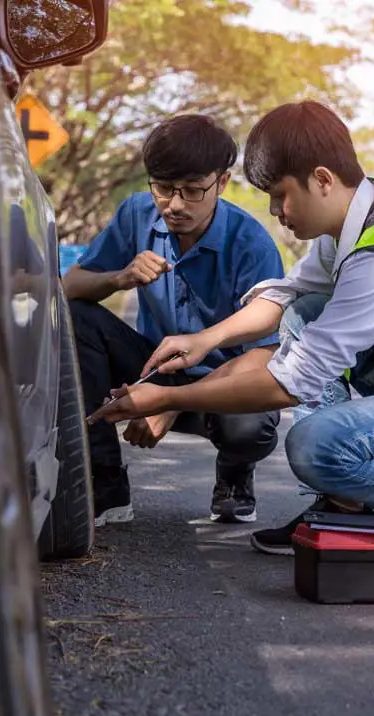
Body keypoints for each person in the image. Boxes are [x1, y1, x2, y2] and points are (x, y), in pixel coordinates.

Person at [88, 100, 374, 555]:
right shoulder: (366, 206)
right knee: (305, 309)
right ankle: (340, 504)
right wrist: (205, 339)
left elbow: (291, 384)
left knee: (315, 446)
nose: (275, 210)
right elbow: (286, 294)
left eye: (280, 195)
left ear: (323, 180)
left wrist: (167, 398)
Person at [62, 114, 287, 526]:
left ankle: (235, 472)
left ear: (222, 182)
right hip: (154, 368)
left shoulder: (252, 245)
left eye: (193, 190)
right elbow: (69, 286)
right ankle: (105, 483)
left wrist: (171, 401)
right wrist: (119, 278)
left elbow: (265, 357)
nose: (176, 205)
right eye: (163, 188)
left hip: (224, 384)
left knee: (249, 428)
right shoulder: (136, 214)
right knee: (75, 318)